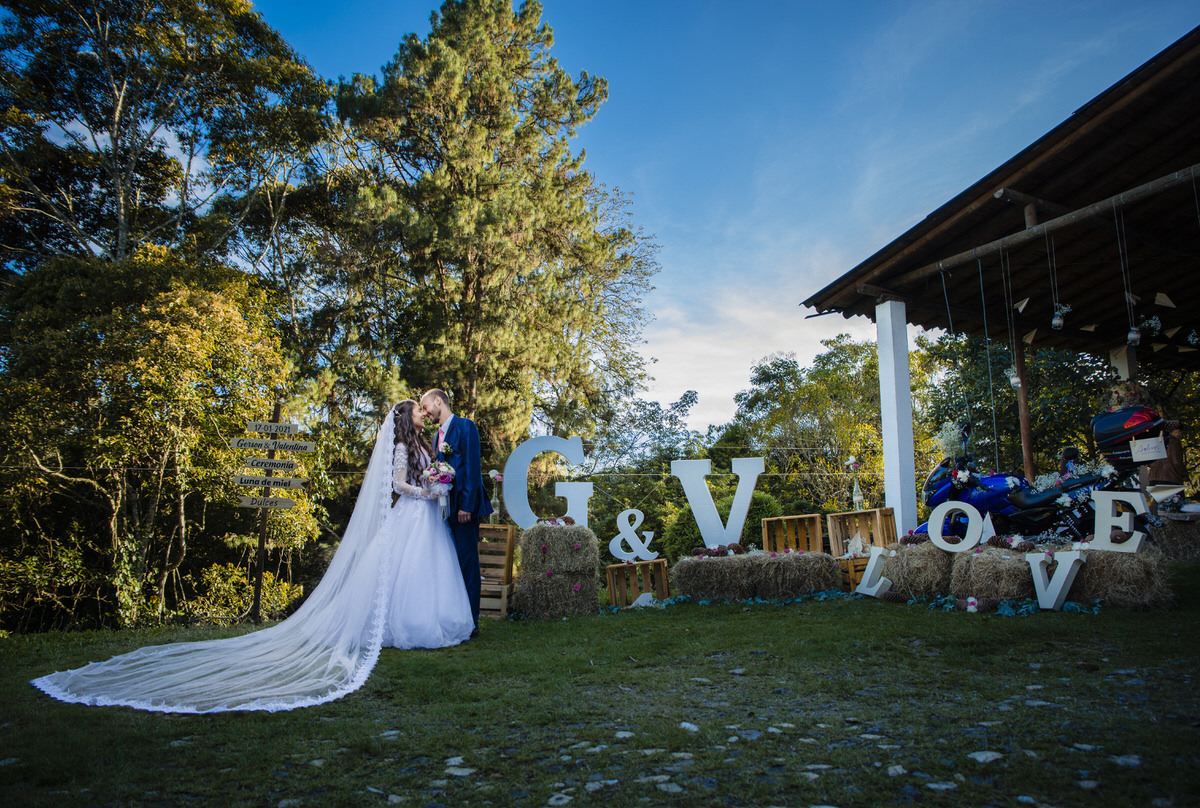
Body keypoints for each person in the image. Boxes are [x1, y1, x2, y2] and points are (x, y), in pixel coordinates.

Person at [30, 402, 469, 714]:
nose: (422, 413)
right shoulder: (400, 447)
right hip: (411, 512)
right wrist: (426, 490)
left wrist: (438, 482)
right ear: (405, 418)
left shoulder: (424, 443)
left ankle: (426, 622)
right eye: (416, 410)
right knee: (401, 572)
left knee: (422, 573)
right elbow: (397, 485)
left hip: (424, 517)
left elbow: (426, 473)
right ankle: (399, 627)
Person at [420, 389, 493, 634]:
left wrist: (466, 505)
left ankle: (472, 622)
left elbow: (472, 467)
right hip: (446, 509)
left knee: (467, 562)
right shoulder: (436, 437)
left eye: (425, 406)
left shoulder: (465, 426)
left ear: (438, 401)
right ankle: (455, 618)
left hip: (463, 509)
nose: (424, 413)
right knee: (451, 564)